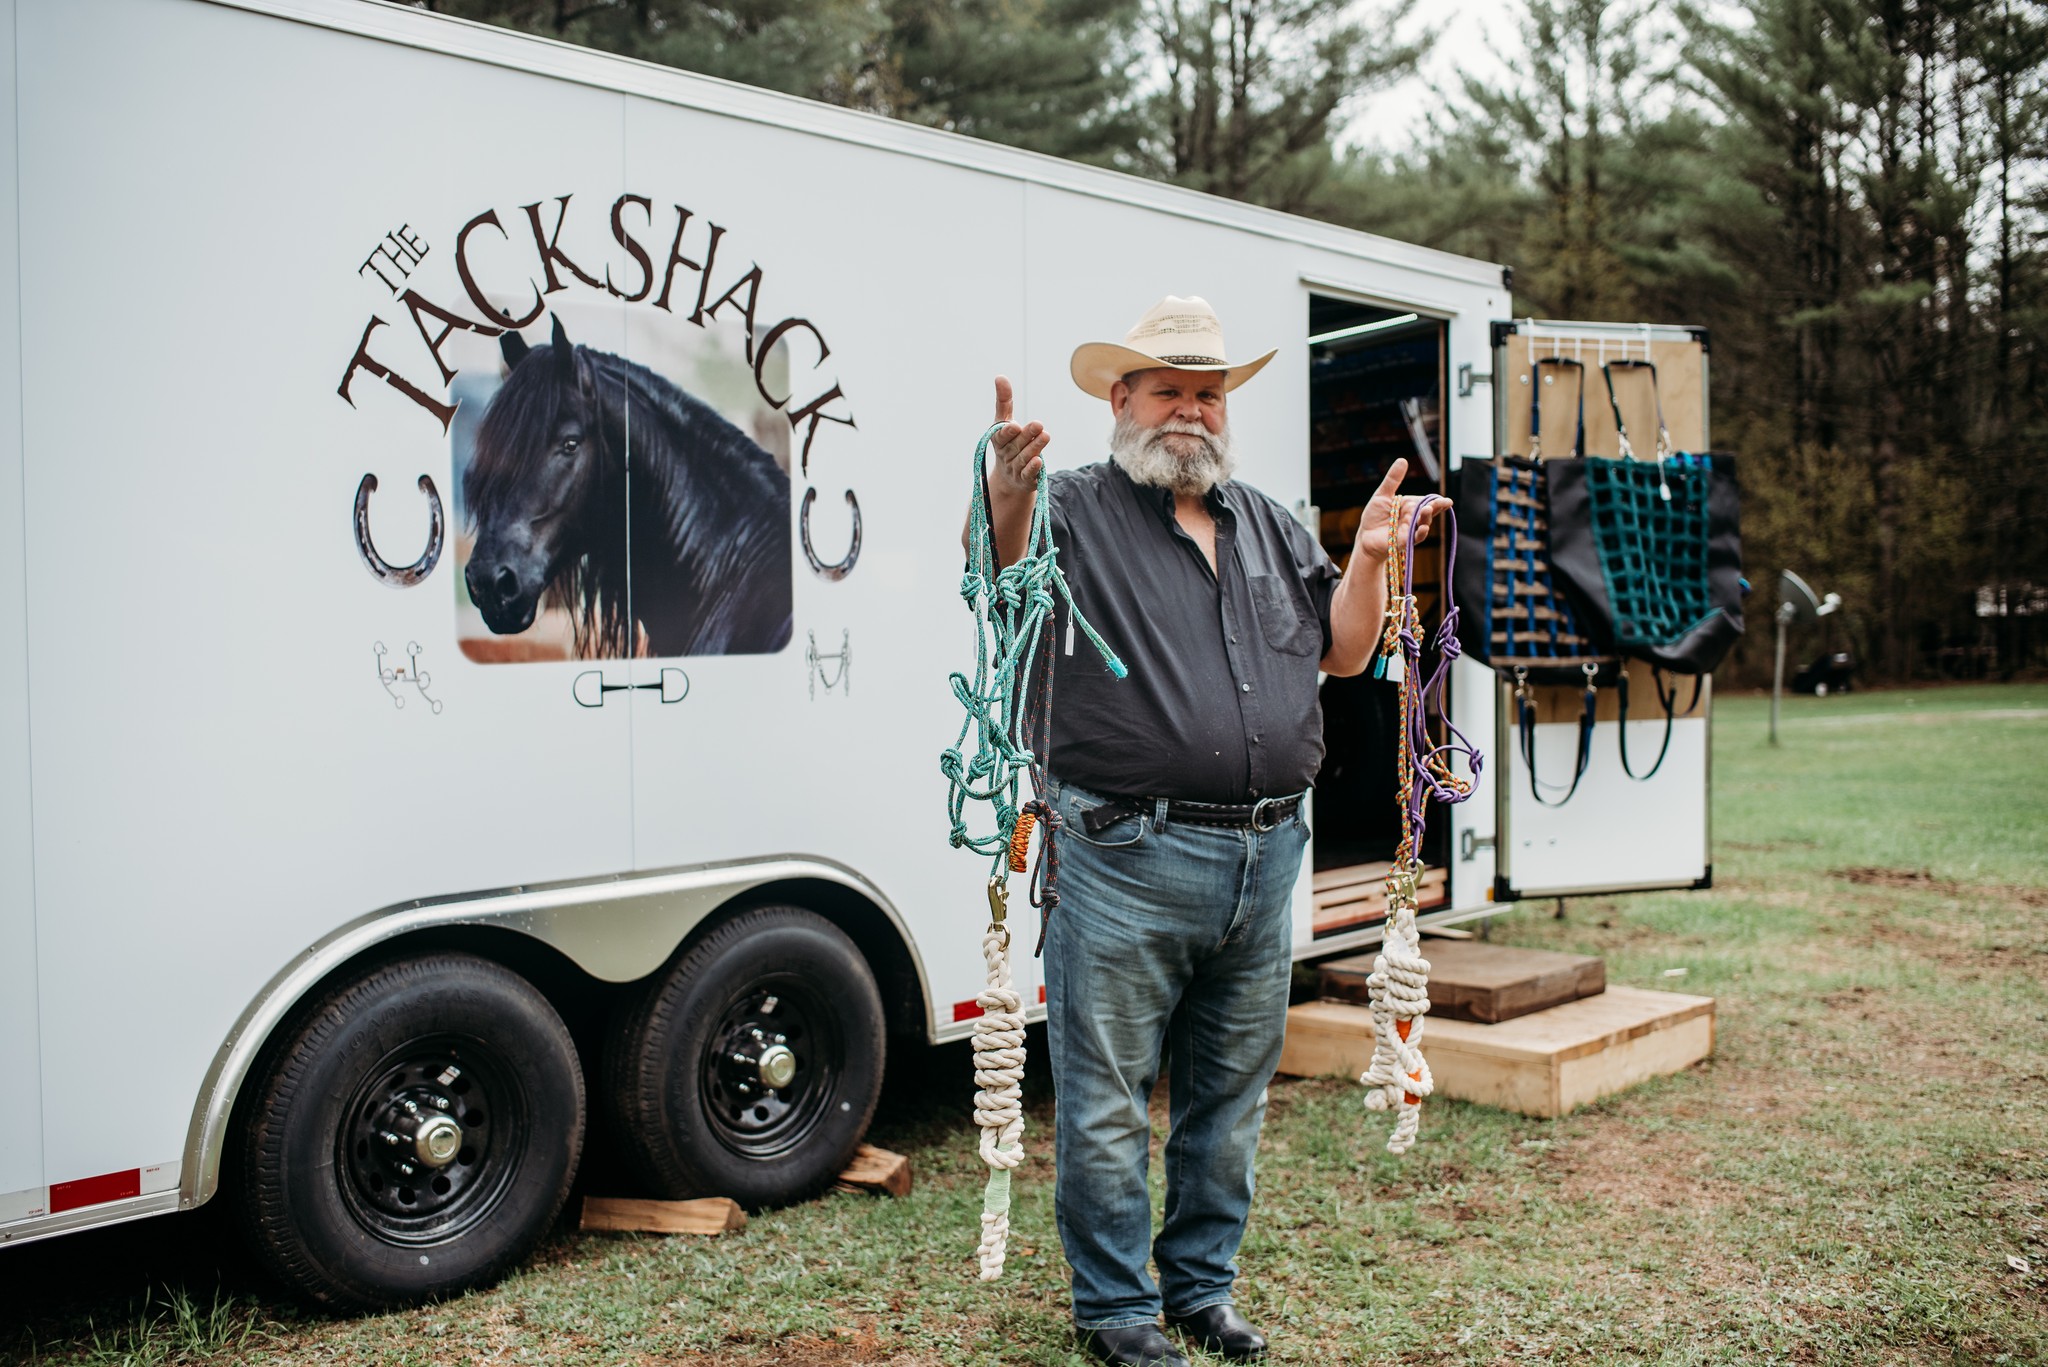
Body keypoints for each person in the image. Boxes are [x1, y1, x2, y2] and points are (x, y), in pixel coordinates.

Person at [974, 296, 1444, 1367]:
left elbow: (1339, 652)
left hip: (1266, 849)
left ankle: (1197, 1288)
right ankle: (1116, 1311)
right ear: (1119, 398)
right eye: (1168, 390)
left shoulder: (1271, 520)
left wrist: (1368, 557)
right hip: (1124, 856)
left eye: (1207, 392)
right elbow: (999, 574)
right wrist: (1003, 488)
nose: (1190, 411)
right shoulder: (1070, 508)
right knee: (1103, 1103)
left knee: (1227, 1100)